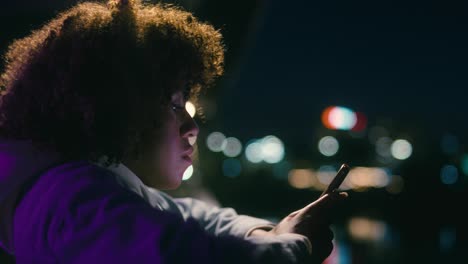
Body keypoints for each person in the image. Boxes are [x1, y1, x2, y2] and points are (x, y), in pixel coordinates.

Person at [0, 0, 347, 263]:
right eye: (173, 104)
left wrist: (270, 230)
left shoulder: (77, 184)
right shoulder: (74, 206)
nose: (192, 127)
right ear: (113, 107)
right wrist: (294, 246)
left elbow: (189, 215)